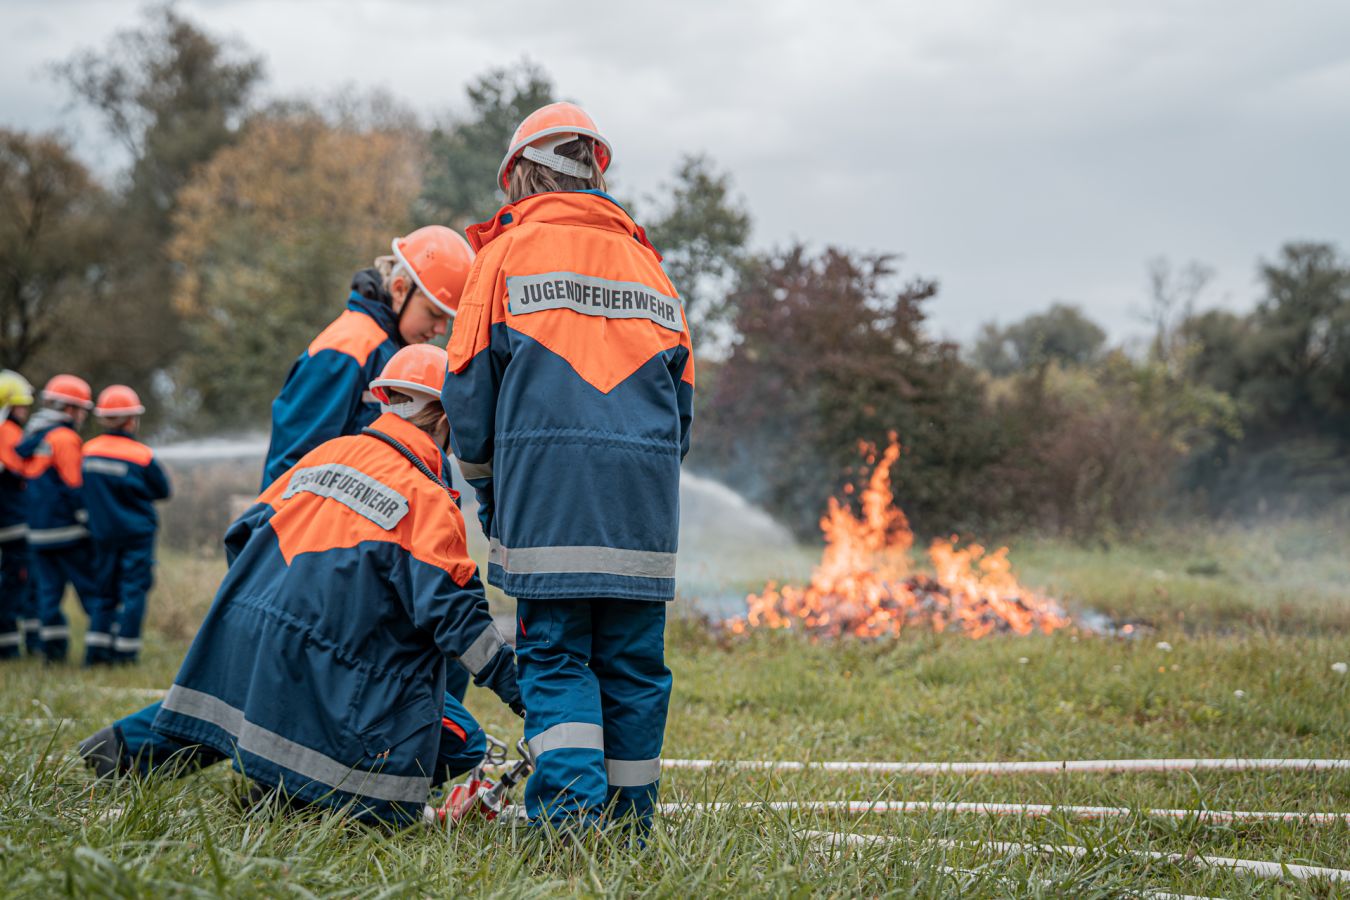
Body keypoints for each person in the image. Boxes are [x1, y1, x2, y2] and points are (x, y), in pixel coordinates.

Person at [78, 345, 521, 827]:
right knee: (463, 742)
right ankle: (312, 801)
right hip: (326, 668)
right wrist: (524, 693)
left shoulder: (326, 455)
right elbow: (459, 618)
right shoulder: (427, 496)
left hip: (248, 631)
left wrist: (274, 602)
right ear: (448, 418)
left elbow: (243, 533)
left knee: (240, 696)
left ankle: (124, 750)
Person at [441, 102, 694, 830]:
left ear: (521, 174)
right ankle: (630, 823)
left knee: (554, 658)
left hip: (549, 499)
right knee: (634, 666)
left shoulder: (504, 255)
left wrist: (490, 492)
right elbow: (682, 398)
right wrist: (647, 481)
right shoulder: (648, 264)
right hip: (642, 508)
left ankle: (571, 823)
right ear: (593, 173)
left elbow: (467, 392)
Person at [261, 226, 474, 489]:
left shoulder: (389, 349)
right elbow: (292, 466)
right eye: (434, 313)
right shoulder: (348, 349)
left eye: (447, 319)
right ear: (399, 289)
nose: (441, 329)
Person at [17, 375, 110, 664]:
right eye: (81, 410)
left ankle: (52, 654)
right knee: (92, 590)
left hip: (38, 534)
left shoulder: (35, 435)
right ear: (69, 409)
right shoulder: (64, 438)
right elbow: (74, 485)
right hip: (68, 532)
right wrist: (89, 522)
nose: (82, 416)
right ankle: (101, 652)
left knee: (48, 595)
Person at [82, 386, 172, 664]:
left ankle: (96, 653)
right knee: (133, 591)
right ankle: (125, 653)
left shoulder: (88, 451)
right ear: (132, 420)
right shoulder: (141, 455)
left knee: (103, 591)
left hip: (102, 533)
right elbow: (163, 491)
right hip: (136, 535)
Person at [0, 369, 38, 659]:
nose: (25, 411)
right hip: (13, 523)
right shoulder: (8, 433)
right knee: (17, 581)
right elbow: (23, 473)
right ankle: (10, 647)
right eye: (21, 405)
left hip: (9, 521)